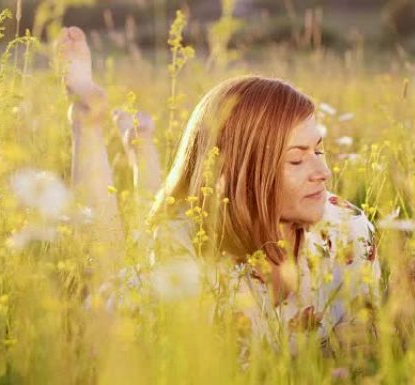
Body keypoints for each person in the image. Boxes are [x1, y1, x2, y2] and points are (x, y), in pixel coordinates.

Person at [56, 26, 381, 351]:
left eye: (319, 151)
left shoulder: (349, 231)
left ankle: (142, 150)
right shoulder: (187, 257)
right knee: (106, 281)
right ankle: (87, 121)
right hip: (179, 249)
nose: (323, 172)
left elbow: (358, 356)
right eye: (296, 160)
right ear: (240, 172)